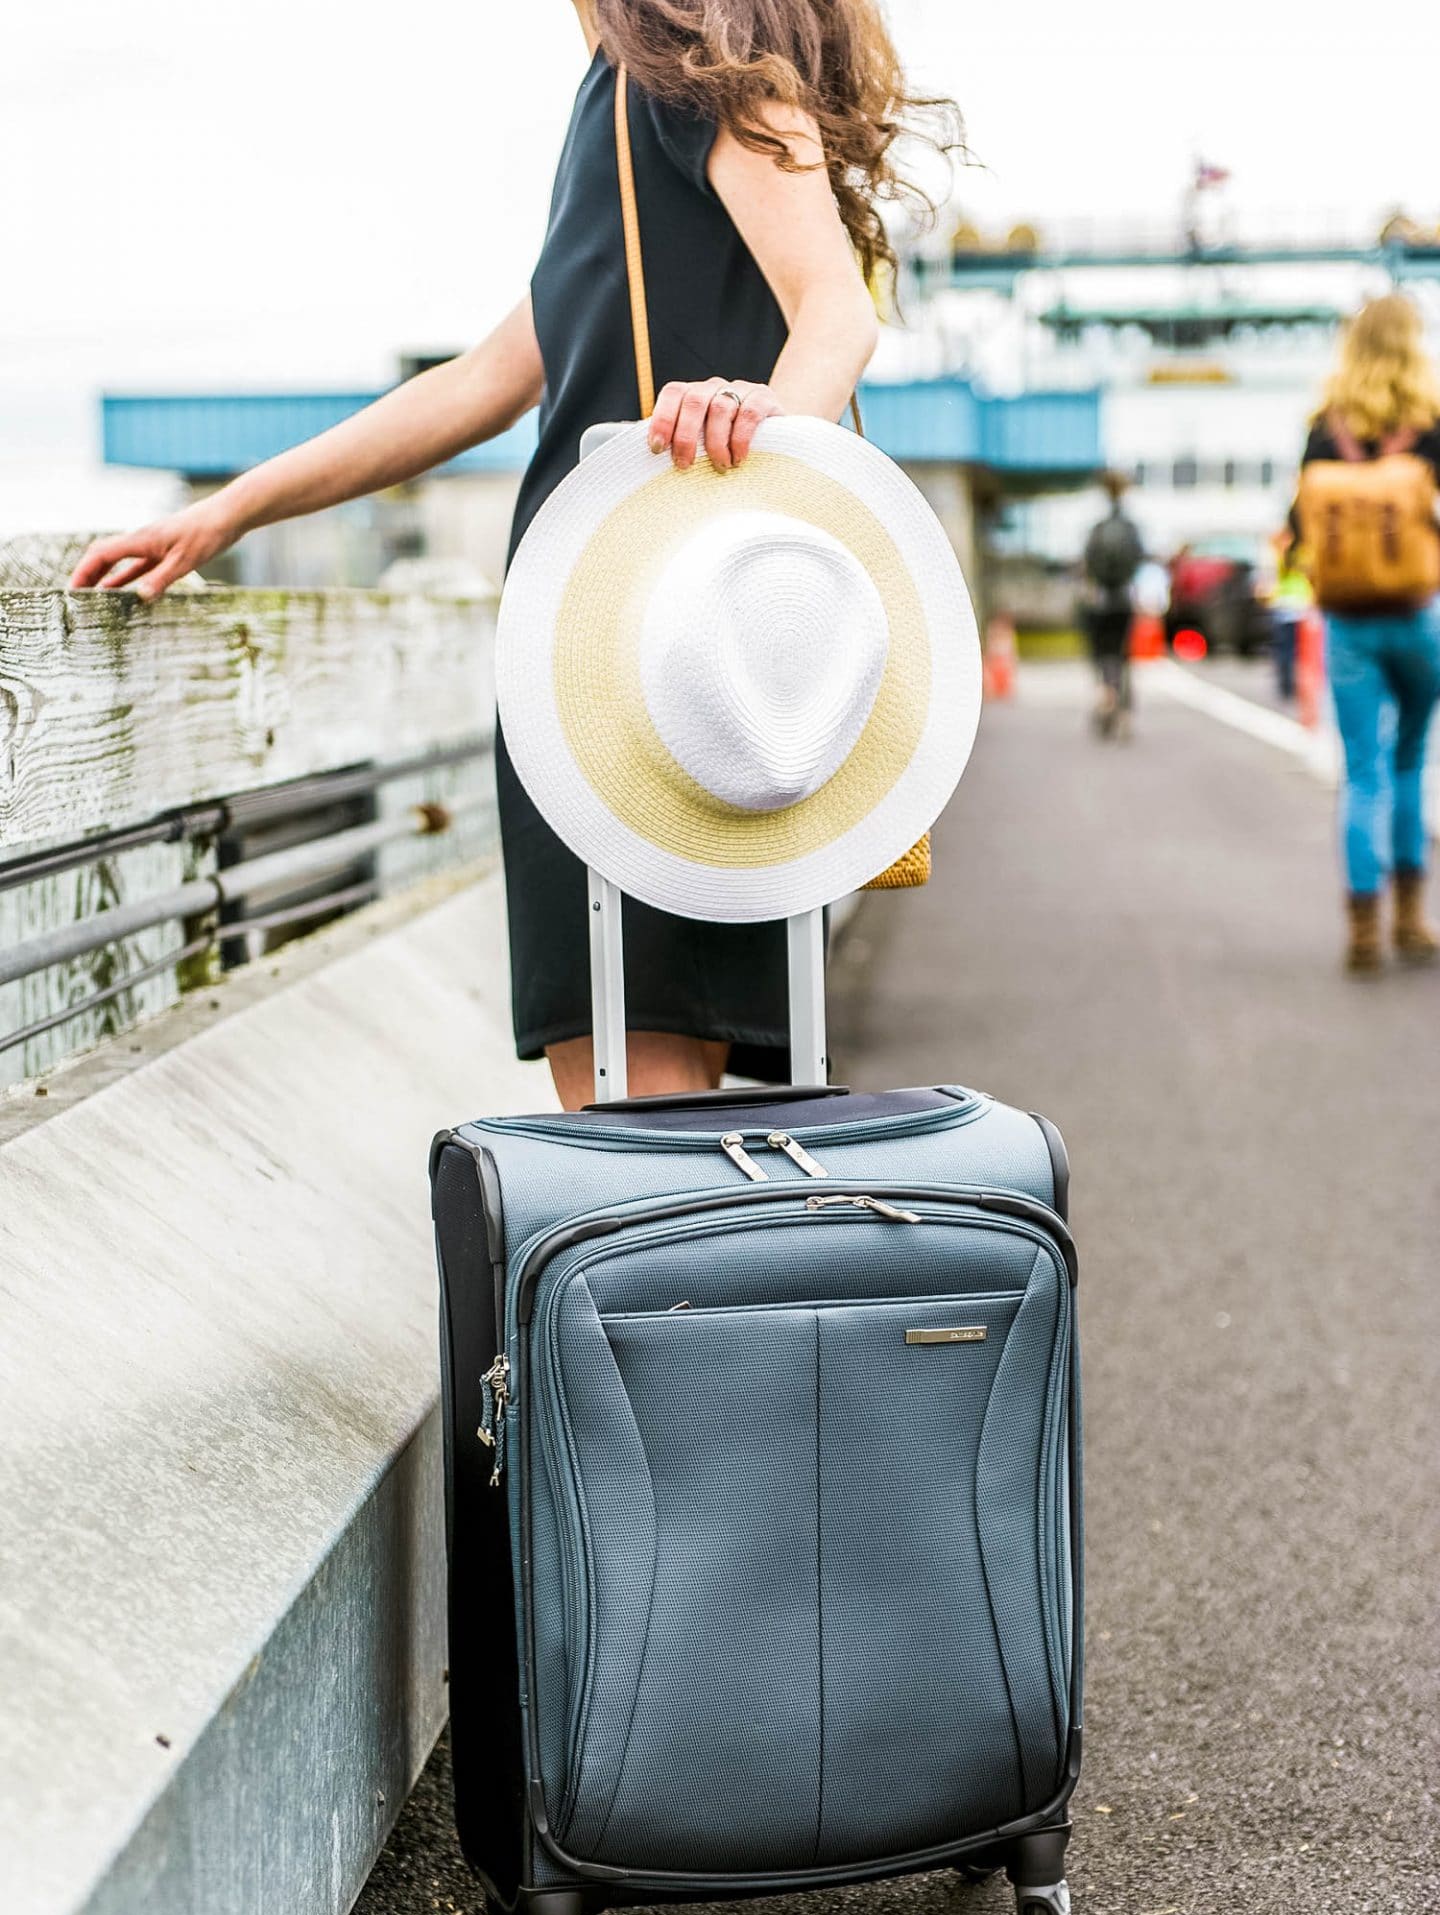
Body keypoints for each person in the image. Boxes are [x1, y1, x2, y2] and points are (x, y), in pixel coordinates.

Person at [70, 0, 960, 1109]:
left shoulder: (701, 76)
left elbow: (835, 312)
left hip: (637, 655)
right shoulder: (623, 103)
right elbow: (478, 384)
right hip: (669, 658)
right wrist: (231, 511)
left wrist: (763, 421)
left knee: (633, 1105)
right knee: (656, 1091)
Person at [1292, 294, 1440, 974]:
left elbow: (1299, 530)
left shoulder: (1327, 428)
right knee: (1410, 758)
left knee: (1364, 770)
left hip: (1349, 622)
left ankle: (1362, 930)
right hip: (1419, 617)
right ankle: (1412, 919)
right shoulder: (1429, 423)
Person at [1080, 474, 1144, 738]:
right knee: (1123, 653)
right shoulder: (1130, 529)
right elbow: (1138, 557)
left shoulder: (1097, 529)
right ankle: (1125, 708)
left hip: (1101, 600)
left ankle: (1106, 693)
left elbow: (1088, 562)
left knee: (1101, 653)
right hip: (1124, 598)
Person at [1268, 534, 1313, 703]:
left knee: (1284, 650)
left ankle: (1287, 686)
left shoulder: (1282, 556)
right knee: (1295, 651)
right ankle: (1292, 686)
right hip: (1299, 606)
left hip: (1285, 606)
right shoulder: (1302, 555)